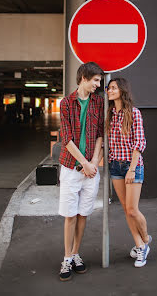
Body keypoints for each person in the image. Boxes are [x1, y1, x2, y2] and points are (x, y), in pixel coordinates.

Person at [58, 61, 104, 281]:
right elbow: (66, 139)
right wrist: (84, 163)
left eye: (100, 81)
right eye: (95, 80)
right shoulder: (66, 103)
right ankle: (66, 258)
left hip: (91, 169)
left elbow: (100, 134)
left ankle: (76, 253)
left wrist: (94, 161)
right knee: (70, 215)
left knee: (83, 214)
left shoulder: (98, 102)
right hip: (71, 167)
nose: (98, 85)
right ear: (84, 78)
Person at [106, 78, 151, 267]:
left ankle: (146, 241)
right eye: (109, 88)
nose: (109, 90)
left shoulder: (134, 113)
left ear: (122, 90)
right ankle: (139, 244)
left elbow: (139, 143)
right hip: (115, 166)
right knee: (125, 209)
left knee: (133, 209)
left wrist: (132, 168)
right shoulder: (109, 114)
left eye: (113, 88)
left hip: (132, 166)